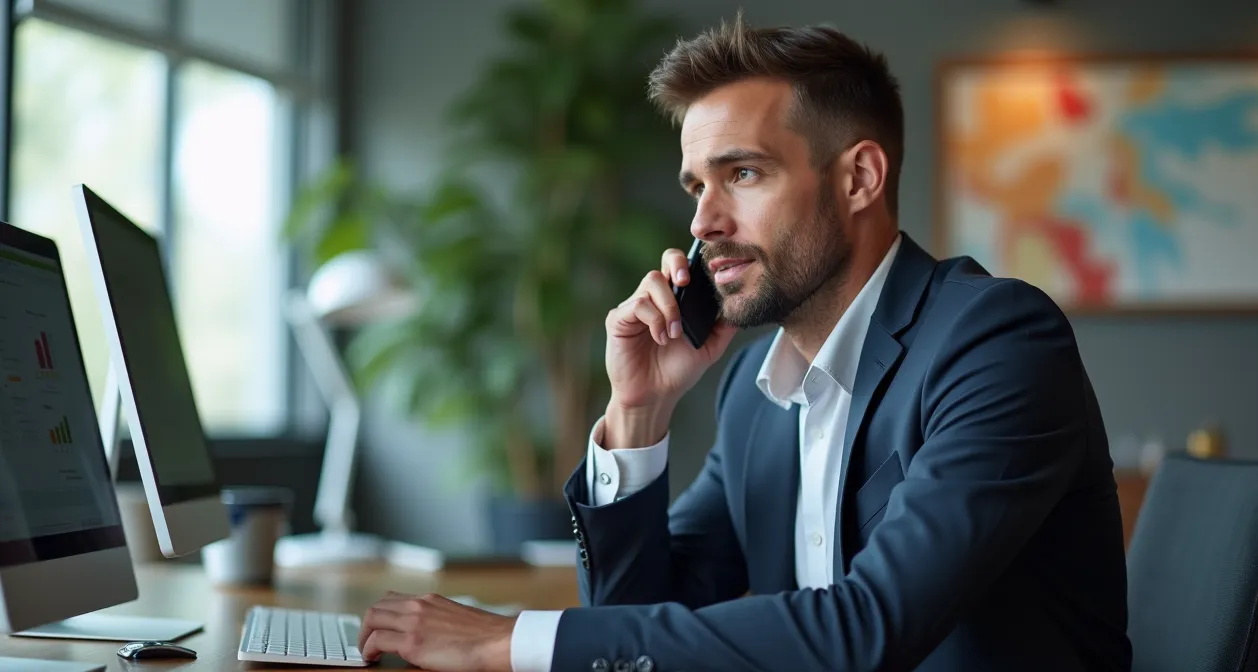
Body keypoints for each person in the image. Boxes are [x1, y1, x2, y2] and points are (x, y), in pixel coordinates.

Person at [356, 13, 1132, 672]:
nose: (703, 223)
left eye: (744, 174)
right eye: (698, 185)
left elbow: (870, 628)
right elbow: (637, 625)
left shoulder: (996, 341)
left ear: (859, 178)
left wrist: (507, 642)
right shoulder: (757, 387)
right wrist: (638, 411)